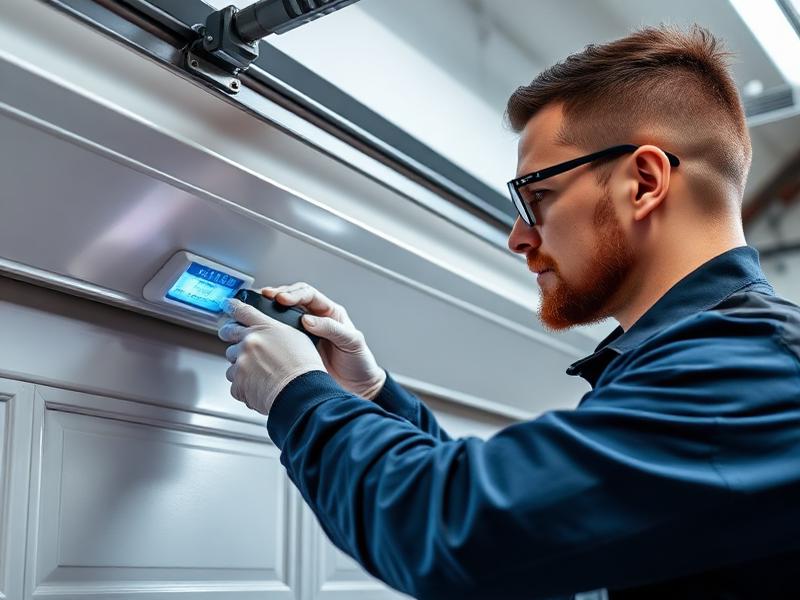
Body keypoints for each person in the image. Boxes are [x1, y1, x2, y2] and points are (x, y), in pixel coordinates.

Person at [218, 25, 800, 599]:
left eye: (537, 197)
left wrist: (298, 394)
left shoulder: (755, 368)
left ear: (643, 181)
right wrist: (371, 398)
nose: (519, 237)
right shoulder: (701, 364)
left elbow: (455, 532)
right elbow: (529, 535)